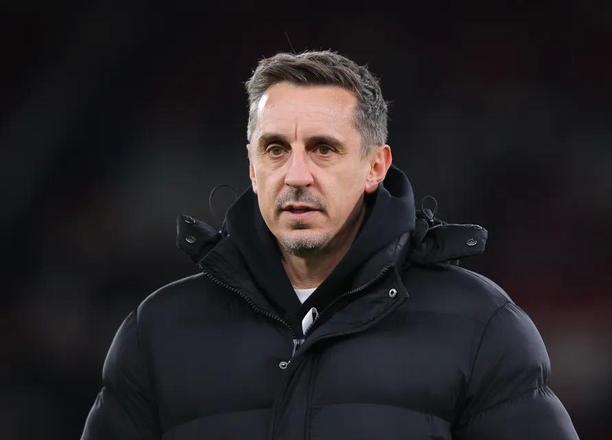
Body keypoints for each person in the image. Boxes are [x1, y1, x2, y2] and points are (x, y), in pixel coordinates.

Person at [81, 50, 579, 439]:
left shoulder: (480, 326)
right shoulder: (158, 332)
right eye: (276, 149)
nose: (296, 175)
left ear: (375, 166)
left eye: (323, 149)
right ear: (252, 167)